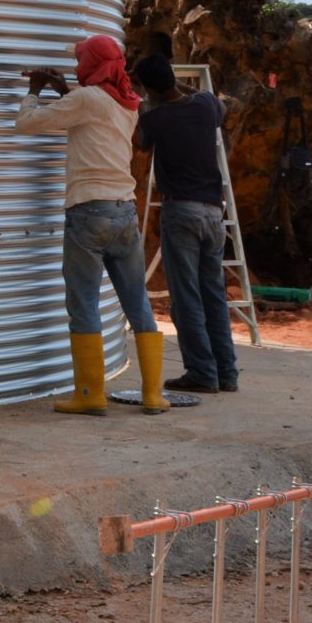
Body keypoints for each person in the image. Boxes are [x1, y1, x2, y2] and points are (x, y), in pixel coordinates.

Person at [17, 35, 168, 416]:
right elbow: (90, 115)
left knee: (84, 303)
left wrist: (35, 90)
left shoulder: (87, 100)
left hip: (88, 212)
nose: (77, 64)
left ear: (92, 63)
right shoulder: (127, 101)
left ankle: (89, 394)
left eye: (81, 59)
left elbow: (27, 123)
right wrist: (64, 90)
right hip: (123, 212)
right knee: (137, 302)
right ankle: (152, 394)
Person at [132, 54, 238, 394]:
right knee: (213, 297)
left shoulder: (155, 119)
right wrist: (170, 85)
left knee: (186, 299)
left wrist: (142, 100)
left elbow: (139, 142)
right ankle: (226, 373)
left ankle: (202, 373)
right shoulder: (207, 105)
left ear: (149, 89)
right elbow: (214, 105)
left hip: (182, 212)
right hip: (213, 212)